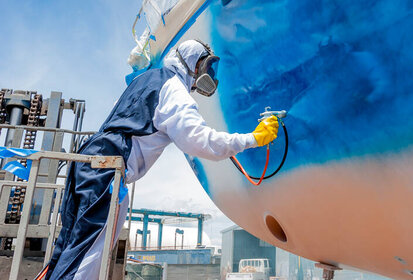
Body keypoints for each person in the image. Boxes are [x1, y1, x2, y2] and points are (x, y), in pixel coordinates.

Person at [43, 39, 278, 280]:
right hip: (108, 171)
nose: (206, 77)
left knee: (71, 248)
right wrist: (254, 138)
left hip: (87, 162)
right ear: (193, 63)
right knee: (88, 258)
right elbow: (201, 142)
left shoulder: (143, 80)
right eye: (206, 67)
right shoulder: (174, 89)